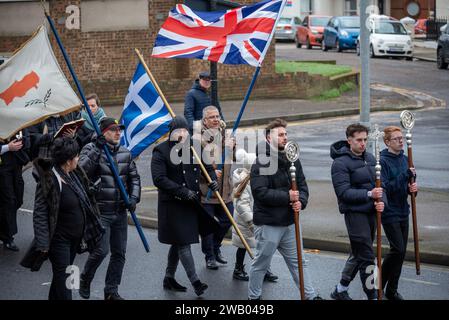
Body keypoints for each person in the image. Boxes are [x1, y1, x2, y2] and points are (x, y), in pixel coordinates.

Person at [248, 118, 321, 300]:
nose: (285, 138)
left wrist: (301, 202)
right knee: (261, 264)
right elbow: (260, 193)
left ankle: (310, 296)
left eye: (286, 134)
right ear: (268, 138)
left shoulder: (293, 159)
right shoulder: (261, 162)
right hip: (269, 223)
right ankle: (254, 298)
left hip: (289, 222)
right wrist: (287, 196)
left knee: (299, 263)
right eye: (280, 135)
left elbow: (302, 185)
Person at [151, 116, 220, 296]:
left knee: (178, 241)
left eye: (185, 131)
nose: (182, 134)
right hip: (172, 205)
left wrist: (212, 180)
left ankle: (169, 277)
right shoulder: (161, 151)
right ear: (171, 132)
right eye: (178, 131)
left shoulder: (193, 148)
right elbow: (159, 179)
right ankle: (196, 282)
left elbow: (208, 167)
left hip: (190, 204)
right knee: (183, 242)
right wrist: (181, 191)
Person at [29, 137, 103, 300]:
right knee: (67, 281)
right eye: (76, 156)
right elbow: (40, 212)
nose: (78, 159)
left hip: (75, 239)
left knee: (61, 278)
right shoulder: (49, 179)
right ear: (68, 161)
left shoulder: (74, 173)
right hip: (59, 241)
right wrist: (42, 243)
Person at [78, 117, 141, 300]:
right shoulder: (91, 148)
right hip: (100, 211)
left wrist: (133, 199)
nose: (118, 132)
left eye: (119, 129)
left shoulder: (125, 153)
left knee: (119, 253)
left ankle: (111, 291)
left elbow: (135, 179)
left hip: (120, 212)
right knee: (100, 251)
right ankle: (85, 278)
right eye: (113, 129)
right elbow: (80, 171)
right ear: (103, 132)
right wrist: (97, 149)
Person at [329, 123, 385, 300]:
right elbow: (343, 193)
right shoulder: (339, 163)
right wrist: (369, 194)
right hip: (355, 215)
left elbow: (381, 186)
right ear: (349, 140)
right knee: (368, 258)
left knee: (358, 254)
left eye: (365, 140)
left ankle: (340, 289)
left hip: (371, 214)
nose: (363, 143)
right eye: (359, 140)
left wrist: (381, 202)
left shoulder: (369, 158)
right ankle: (373, 294)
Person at [380, 126, 418, 300]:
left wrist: (413, 189)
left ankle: (391, 290)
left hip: (404, 210)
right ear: (387, 142)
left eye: (401, 138)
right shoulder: (383, 161)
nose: (401, 141)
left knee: (401, 252)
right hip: (389, 212)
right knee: (398, 249)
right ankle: (378, 285)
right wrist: (405, 176)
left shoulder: (405, 159)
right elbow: (387, 188)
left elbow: (407, 187)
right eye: (396, 139)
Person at [231, 149, 278, 282]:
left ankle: (264, 269)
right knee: (243, 246)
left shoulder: (256, 179)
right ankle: (238, 269)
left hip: (258, 218)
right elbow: (241, 204)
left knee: (262, 246)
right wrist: (250, 221)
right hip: (245, 221)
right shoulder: (244, 182)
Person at [198, 106, 233, 270]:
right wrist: (210, 173)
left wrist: (231, 146)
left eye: (217, 116)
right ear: (205, 121)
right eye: (211, 117)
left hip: (225, 188)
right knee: (208, 225)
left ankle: (216, 246)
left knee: (227, 220)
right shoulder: (198, 139)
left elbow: (233, 156)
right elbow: (195, 166)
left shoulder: (226, 134)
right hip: (207, 190)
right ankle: (209, 256)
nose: (215, 119)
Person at [0, 132, 29, 251]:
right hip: (2, 168)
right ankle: (7, 237)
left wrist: (22, 142)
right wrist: (8, 147)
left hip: (16, 165)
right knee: (9, 201)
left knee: (18, 199)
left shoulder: (16, 117)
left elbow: (27, 138)